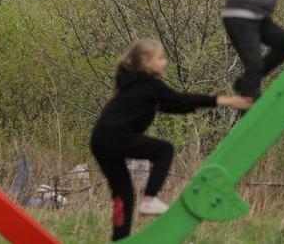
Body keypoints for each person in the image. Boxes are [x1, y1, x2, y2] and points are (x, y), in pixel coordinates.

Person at [90, 39, 251, 240]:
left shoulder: (133, 85)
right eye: (160, 58)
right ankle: (150, 198)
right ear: (147, 62)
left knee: (123, 194)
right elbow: (181, 99)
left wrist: (206, 104)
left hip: (100, 141)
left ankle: (119, 239)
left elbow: (176, 106)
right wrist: (224, 100)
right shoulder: (150, 86)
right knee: (164, 150)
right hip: (115, 137)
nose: (164, 62)